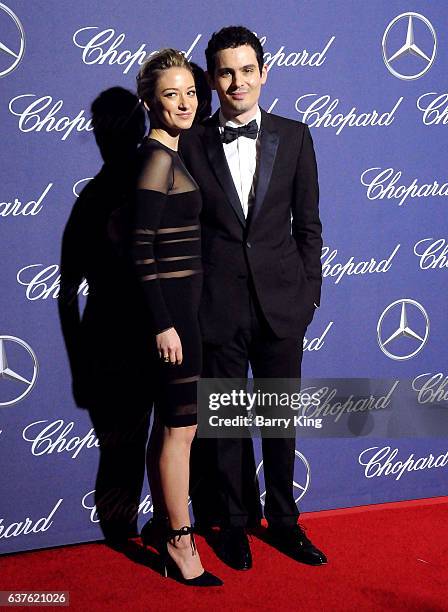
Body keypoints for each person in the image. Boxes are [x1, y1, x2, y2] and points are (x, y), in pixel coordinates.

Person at [179, 26, 327, 569]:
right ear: (213, 80)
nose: (237, 82)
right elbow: (182, 232)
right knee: (226, 424)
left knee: (279, 421)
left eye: (247, 70)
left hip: (283, 305)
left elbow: (309, 227)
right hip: (217, 306)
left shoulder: (295, 136)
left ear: (263, 73)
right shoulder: (191, 143)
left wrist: (309, 293)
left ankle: (285, 522)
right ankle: (233, 524)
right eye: (225, 72)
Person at [131, 49, 222, 586]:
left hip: (187, 316)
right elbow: (139, 251)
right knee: (179, 432)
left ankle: (173, 531)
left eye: (190, 92)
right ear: (150, 102)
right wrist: (163, 323)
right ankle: (180, 545)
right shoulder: (157, 159)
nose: (185, 103)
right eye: (172, 94)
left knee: (176, 428)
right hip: (173, 322)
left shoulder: (172, 152)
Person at [58, 87, 153, 544]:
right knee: (124, 449)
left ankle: (151, 531)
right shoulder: (95, 200)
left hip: (144, 334)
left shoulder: (159, 181)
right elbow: (66, 292)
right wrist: (81, 368)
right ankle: (126, 537)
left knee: (146, 444)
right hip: (117, 341)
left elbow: (65, 295)